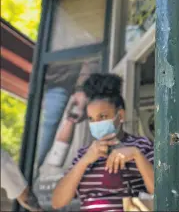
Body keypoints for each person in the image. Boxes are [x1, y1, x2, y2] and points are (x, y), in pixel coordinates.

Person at [52, 73, 155, 211]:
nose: (96, 123)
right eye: (91, 119)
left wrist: (137, 155)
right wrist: (84, 161)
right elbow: (57, 202)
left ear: (121, 115)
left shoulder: (142, 146)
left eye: (103, 116)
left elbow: (162, 193)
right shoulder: (84, 153)